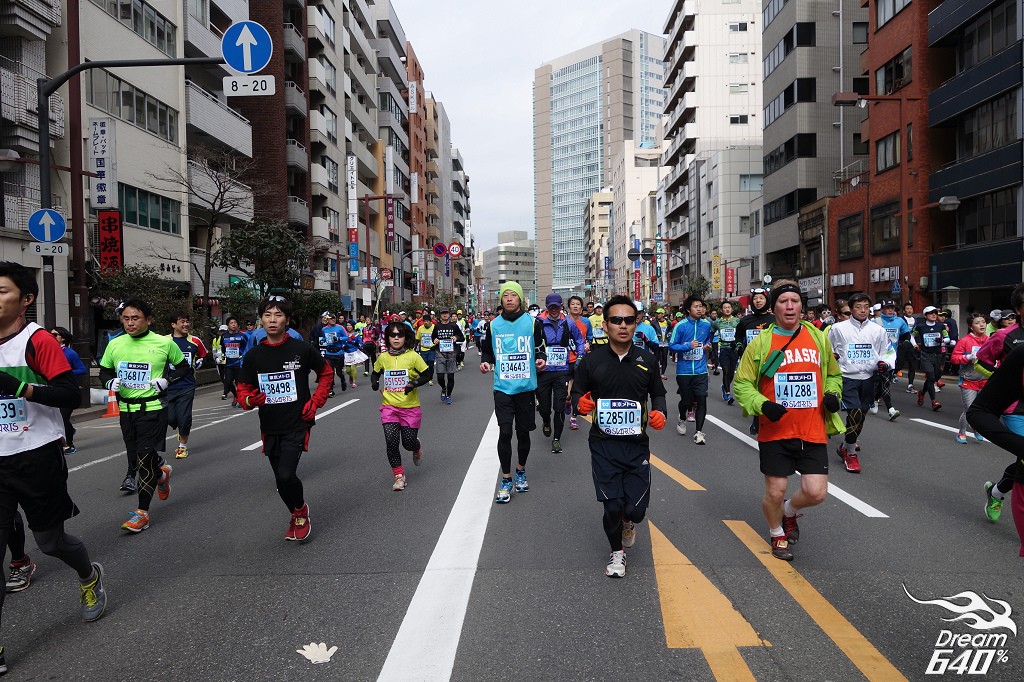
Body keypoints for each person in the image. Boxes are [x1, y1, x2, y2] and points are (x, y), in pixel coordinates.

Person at [0, 261, 107, 674]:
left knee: (50, 542)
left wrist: (19, 387)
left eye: (3, 291)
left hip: (36, 455)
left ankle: (88, 575)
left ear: (26, 299)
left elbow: (69, 396)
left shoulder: (37, 340)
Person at [733, 280, 845, 561]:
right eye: (783, 302)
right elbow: (742, 384)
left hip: (812, 428)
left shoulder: (819, 338)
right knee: (775, 489)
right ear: (774, 308)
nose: (790, 306)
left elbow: (833, 374)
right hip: (776, 430)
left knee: (816, 492)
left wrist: (832, 393)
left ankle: (789, 512)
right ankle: (776, 533)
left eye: (795, 301)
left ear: (802, 307)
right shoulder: (761, 343)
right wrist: (763, 405)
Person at [571, 295, 667, 578]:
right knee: (611, 505)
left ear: (636, 324)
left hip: (636, 445)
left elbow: (658, 394)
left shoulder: (647, 359)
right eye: (616, 320)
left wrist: (660, 412)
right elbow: (578, 391)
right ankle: (617, 554)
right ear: (606, 325)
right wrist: (580, 403)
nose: (623, 325)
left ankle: (629, 521)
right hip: (603, 443)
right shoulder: (592, 360)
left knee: (635, 511)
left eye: (629, 320)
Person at [235, 296, 333, 541]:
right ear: (261, 320)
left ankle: (300, 512)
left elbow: (326, 373)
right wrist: (250, 401)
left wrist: (315, 402)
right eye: (267, 315)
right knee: (280, 479)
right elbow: (243, 389)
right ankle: (295, 511)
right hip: (270, 425)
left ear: (287, 320)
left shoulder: (301, 349)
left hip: (298, 422)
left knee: (287, 474)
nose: (272, 320)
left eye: (278, 315)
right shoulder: (254, 355)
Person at [99, 298, 191, 531]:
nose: (130, 323)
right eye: (126, 318)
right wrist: (110, 381)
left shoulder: (163, 343)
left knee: (143, 461)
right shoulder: (115, 344)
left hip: (153, 409)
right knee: (135, 460)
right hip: (127, 410)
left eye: (135, 318)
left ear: (148, 320)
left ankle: (142, 513)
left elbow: (183, 367)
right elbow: (104, 371)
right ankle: (162, 474)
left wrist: (166, 380)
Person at [479, 281, 547, 503]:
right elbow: (487, 351)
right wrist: (486, 363)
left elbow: (540, 348)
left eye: (513, 295)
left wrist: (541, 359)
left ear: (520, 299)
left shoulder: (532, 323)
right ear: (501, 300)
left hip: (526, 387)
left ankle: (520, 471)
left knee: (523, 432)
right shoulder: (493, 325)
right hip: (502, 387)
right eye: (505, 295)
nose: (509, 298)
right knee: (505, 431)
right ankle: (506, 478)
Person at [968, 344, 1024, 554]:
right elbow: (981, 361)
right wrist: (1002, 373)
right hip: (1016, 411)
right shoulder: (1008, 340)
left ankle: (996, 491)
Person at [827, 293, 892, 473]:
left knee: (861, 416)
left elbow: (888, 352)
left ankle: (846, 445)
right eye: (858, 306)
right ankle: (850, 453)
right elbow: (828, 349)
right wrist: (832, 359)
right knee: (854, 413)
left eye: (866, 306)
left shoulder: (878, 330)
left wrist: (885, 363)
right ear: (851, 308)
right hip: (847, 378)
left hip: (869, 379)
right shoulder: (838, 328)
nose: (863, 310)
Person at [371, 321, 433, 490]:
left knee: (407, 443)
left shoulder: (413, 356)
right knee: (391, 442)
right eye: (393, 335)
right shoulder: (383, 357)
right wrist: (375, 382)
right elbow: (375, 372)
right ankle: (399, 476)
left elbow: (427, 375)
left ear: (406, 338)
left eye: (400, 335)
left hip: (410, 408)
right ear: (388, 338)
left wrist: (414, 383)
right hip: (389, 407)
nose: (396, 338)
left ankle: (416, 446)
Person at [537, 294, 585, 453]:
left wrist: (579, 356)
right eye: (551, 306)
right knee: (544, 406)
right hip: (543, 370)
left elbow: (579, 340)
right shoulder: (538, 322)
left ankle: (556, 439)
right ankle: (545, 420)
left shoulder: (568, 322)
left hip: (562, 370)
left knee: (559, 405)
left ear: (560, 306)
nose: (554, 309)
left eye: (556, 306)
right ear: (547, 306)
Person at [668, 295, 713, 445]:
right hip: (684, 371)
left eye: (701, 306)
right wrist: (688, 346)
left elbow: (707, 341)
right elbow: (672, 346)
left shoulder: (706, 325)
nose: (699, 309)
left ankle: (699, 432)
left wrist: (707, 346)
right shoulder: (680, 326)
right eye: (696, 306)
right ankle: (682, 418)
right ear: (688, 309)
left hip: (701, 371)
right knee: (686, 402)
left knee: (701, 400)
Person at [166, 312, 208, 459]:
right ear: (173, 325)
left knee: (184, 418)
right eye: (182, 322)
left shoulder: (195, 341)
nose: (186, 325)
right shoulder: (164, 341)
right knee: (170, 418)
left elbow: (204, 354)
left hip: (187, 385)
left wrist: (200, 361)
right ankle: (180, 429)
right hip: (167, 387)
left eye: (187, 322)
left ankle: (182, 446)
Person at [737, 288, 775, 435]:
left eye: (761, 298)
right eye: (755, 299)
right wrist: (739, 346)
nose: (758, 301)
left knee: (767, 389)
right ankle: (756, 420)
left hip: (771, 361)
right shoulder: (745, 320)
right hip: (751, 362)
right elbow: (738, 336)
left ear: (767, 300)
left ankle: (765, 418)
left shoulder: (774, 319)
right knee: (754, 391)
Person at [952, 313, 989, 444]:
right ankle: (961, 433)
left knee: (981, 410)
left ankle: (976, 428)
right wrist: (967, 357)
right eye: (977, 323)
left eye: (983, 322)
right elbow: (954, 358)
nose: (981, 325)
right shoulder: (965, 341)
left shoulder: (989, 340)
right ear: (971, 326)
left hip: (984, 380)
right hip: (968, 380)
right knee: (969, 408)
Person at [49, 327, 87, 455]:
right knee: (58, 417)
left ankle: (69, 445)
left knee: (63, 416)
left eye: (55, 334)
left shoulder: (70, 353)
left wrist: (67, 372)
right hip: (54, 389)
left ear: (62, 338)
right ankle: (69, 429)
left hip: (69, 390)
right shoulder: (49, 352)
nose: (51, 336)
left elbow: (83, 370)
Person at [873, 300, 910, 421]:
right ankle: (890, 409)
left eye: (892, 308)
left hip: (892, 356)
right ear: (882, 309)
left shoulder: (899, 321)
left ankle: (874, 399)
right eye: (887, 308)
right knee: (885, 382)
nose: (890, 310)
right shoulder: (875, 322)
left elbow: (906, 334)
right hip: (879, 357)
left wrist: (905, 342)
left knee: (884, 382)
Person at [912, 306, 949, 411]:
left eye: (935, 313)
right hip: (925, 355)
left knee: (934, 377)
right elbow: (911, 336)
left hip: (937, 355)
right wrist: (915, 345)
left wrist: (941, 341)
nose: (934, 315)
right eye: (931, 313)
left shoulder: (941, 326)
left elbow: (947, 338)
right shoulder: (920, 326)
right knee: (931, 377)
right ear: (925, 315)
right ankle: (934, 401)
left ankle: (922, 392)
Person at [566, 295, 593, 430]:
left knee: (578, 388)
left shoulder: (586, 322)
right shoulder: (563, 321)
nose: (575, 306)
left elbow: (589, 337)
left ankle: (573, 417)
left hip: (580, 358)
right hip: (565, 359)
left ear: (582, 308)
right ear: (568, 307)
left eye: (578, 304)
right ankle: (567, 401)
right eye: (573, 304)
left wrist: (588, 344)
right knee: (567, 393)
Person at [431, 308, 465, 404]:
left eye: (446, 313)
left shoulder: (453, 326)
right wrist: (435, 340)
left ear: (449, 314)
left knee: (450, 377)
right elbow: (433, 337)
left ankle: (448, 395)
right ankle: (443, 388)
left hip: (451, 354)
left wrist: (456, 337)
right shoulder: (437, 326)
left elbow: (462, 337)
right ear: (440, 315)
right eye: (443, 313)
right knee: (440, 377)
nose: (445, 315)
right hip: (440, 353)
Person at [712, 302, 741, 405]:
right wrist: (710, 344)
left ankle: (725, 386)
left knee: (731, 372)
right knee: (725, 370)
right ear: (721, 310)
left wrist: (739, 344)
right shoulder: (717, 322)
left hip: (734, 350)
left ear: (731, 309)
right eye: (725, 308)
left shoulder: (737, 321)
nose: (727, 309)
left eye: (729, 307)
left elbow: (741, 334)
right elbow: (711, 332)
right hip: (723, 349)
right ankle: (728, 394)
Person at [220, 317, 248, 407]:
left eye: (235, 322)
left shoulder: (242, 336)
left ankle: (240, 398)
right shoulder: (224, 336)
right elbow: (223, 348)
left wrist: (243, 356)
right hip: (228, 363)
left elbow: (247, 347)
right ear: (228, 325)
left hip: (239, 363)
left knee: (239, 382)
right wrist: (223, 355)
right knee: (228, 382)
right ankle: (236, 396)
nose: (233, 324)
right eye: (231, 323)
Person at [900, 303, 919, 392]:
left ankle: (910, 384)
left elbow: (914, 334)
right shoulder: (900, 320)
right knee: (899, 364)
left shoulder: (915, 320)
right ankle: (892, 375)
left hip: (912, 346)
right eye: (907, 308)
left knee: (912, 364)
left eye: (910, 308)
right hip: (903, 344)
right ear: (904, 311)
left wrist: (915, 344)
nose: (909, 310)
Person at [213, 323, 228, 393]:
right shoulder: (215, 340)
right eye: (221, 331)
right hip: (219, 361)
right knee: (222, 377)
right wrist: (215, 359)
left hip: (226, 360)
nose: (222, 333)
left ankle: (225, 392)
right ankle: (227, 389)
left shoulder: (228, 339)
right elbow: (214, 350)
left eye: (224, 331)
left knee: (227, 377)